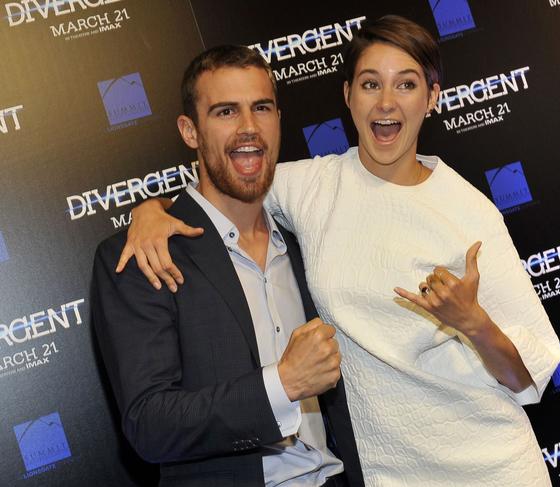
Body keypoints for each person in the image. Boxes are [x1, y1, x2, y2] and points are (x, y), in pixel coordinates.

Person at [118, 16, 560, 487]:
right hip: (387, 471)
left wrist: (474, 322)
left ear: (432, 98)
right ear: (349, 96)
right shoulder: (312, 185)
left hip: (490, 465)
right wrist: (150, 210)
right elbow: (228, 181)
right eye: (371, 84)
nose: (386, 102)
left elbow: (528, 374)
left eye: (406, 84)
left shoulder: (470, 211)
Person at [91, 45, 364, 487]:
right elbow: (151, 425)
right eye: (225, 112)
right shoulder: (144, 254)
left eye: (261, 107)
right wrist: (284, 383)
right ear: (190, 131)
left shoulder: (306, 238)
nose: (249, 128)